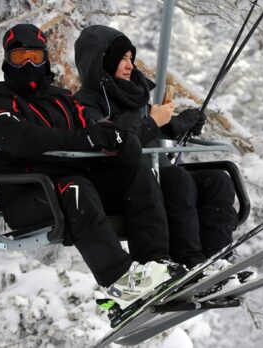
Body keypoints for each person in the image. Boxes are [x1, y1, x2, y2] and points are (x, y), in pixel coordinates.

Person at [0, 24, 183, 310]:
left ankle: (156, 265)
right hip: (29, 192)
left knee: (135, 172)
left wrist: (118, 137)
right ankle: (119, 279)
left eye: (34, 57)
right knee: (75, 187)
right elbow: (20, 137)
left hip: (70, 183)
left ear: (45, 59)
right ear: (7, 59)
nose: (27, 64)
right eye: (19, 57)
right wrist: (85, 138)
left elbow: (93, 127)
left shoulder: (61, 99)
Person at [73, 25, 239, 271]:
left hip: (149, 175)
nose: (130, 65)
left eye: (131, 58)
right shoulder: (86, 104)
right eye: (121, 59)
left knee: (217, 181)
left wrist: (178, 125)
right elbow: (115, 139)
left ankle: (217, 258)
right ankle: (188, 260)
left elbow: (144, 126)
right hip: (119, 184)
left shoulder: (132, 94)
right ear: (102, 63)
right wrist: (153, 122)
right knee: (177, 178)